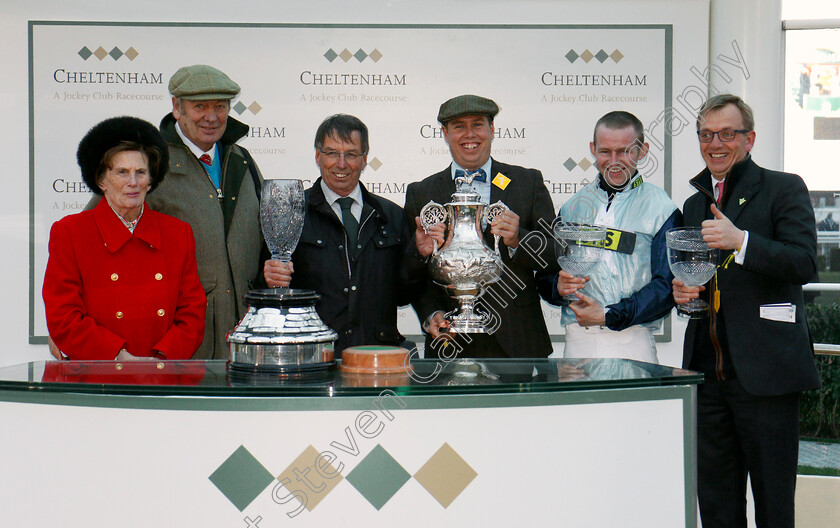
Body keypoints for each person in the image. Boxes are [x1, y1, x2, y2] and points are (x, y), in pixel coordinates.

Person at [672, 94, 821, 527]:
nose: (715, 144)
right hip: (708, 375)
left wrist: (743, 242)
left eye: (726, 133)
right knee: (717, 507)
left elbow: (804, 262)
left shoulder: (783, 187)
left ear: (749, 138)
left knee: (774, 506)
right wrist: (686, 293)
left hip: (766, 377)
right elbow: (702, 277)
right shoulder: (695, 203)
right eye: (705, 135)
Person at [87, 65, 266, 359]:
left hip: (245, 337)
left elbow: (262, 238)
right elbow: (91, 236)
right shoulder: (150, 162)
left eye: (220, 106)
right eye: (200, 107)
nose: (211, 117)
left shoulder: (242, 160)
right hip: (176, 345)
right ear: (176, 108)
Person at [404, 94, 555, 359]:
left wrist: (519, 239)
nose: (469, 134)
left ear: (492, 130)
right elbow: (410, 277)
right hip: (449, 340)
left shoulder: (526, 182)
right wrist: (431, 313)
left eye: (478, 125)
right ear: (445, 133)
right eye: (459, 126)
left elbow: (555, 256)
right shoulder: (422, 192)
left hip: (518, 340)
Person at [43, 116, 206, 361]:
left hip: (162, 376)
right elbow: (63, 316)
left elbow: (192, 312)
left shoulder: (177, 233)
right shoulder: (70, 233)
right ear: (101, 181)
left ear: (151, 181)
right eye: (122, 172)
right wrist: (119, 358)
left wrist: (161, 360)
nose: (133, 183)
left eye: (140, 172)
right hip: (99, 376)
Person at [263, 114, 417, 356]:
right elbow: (261, 284)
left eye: (351, 154)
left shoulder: (392, 216)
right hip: (311, 357)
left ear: (365, 159)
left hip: (377, 358)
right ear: (318, 156)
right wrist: (268, 278)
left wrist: (420, 254)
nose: (341, 163)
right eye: (332, 153)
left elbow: (404, 295)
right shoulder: (289, 214)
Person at [537, 111, 680, 363]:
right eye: (605, 151)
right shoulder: (573, 207)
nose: (614, 160)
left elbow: (666, 287)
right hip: (578, 341)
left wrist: (608, 315)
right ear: (593, 149)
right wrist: (557, 288)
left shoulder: (662, 208)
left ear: (643, 150)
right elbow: (546, 274)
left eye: (624, 151)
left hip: (633, 340)